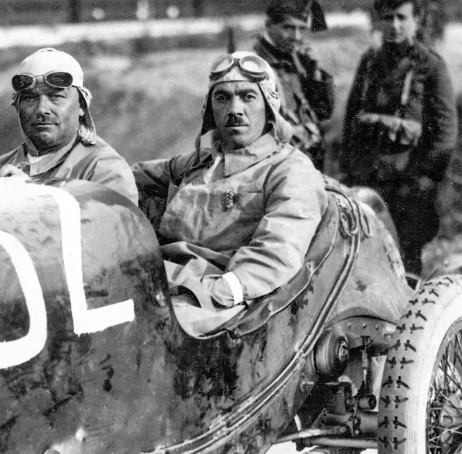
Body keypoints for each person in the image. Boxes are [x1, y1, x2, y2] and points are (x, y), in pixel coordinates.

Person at [133, 51, 329, 335]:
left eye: (248, 97)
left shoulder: (289, 170)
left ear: (269, 106)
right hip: (160, 278)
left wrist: (218, 291)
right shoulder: (198, 162)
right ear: (210, 109)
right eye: (223, 98)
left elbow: (276, 252)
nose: (235, 109)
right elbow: (128, 177)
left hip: (219, 302)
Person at [338, 0, 457, 275]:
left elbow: (445, 130)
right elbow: (352, 121)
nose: (395, 25)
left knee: (406, 262)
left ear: (416, 20)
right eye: (388, 17)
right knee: (363, 262)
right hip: (370, 181)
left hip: (409, 183)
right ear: (377, 20)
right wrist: (349, 171)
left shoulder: (430, 66)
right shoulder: (369, 63)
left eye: (402, 17)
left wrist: (427, 177)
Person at [0, 48, 137, 204]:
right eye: (30, 98)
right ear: (17, 106)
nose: (42, 109)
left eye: (56, 96)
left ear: (81, 106)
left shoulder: (104, 170)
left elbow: (111, 226)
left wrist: (32, 193)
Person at [251, 0, 335, 170]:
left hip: (308, 163)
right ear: (268, 25)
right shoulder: (253, 66)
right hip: (277, 169)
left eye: (301, 29)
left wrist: (315, 73)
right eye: (288, 28)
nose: (296, 36)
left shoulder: (300, 62)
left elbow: (324, 113)